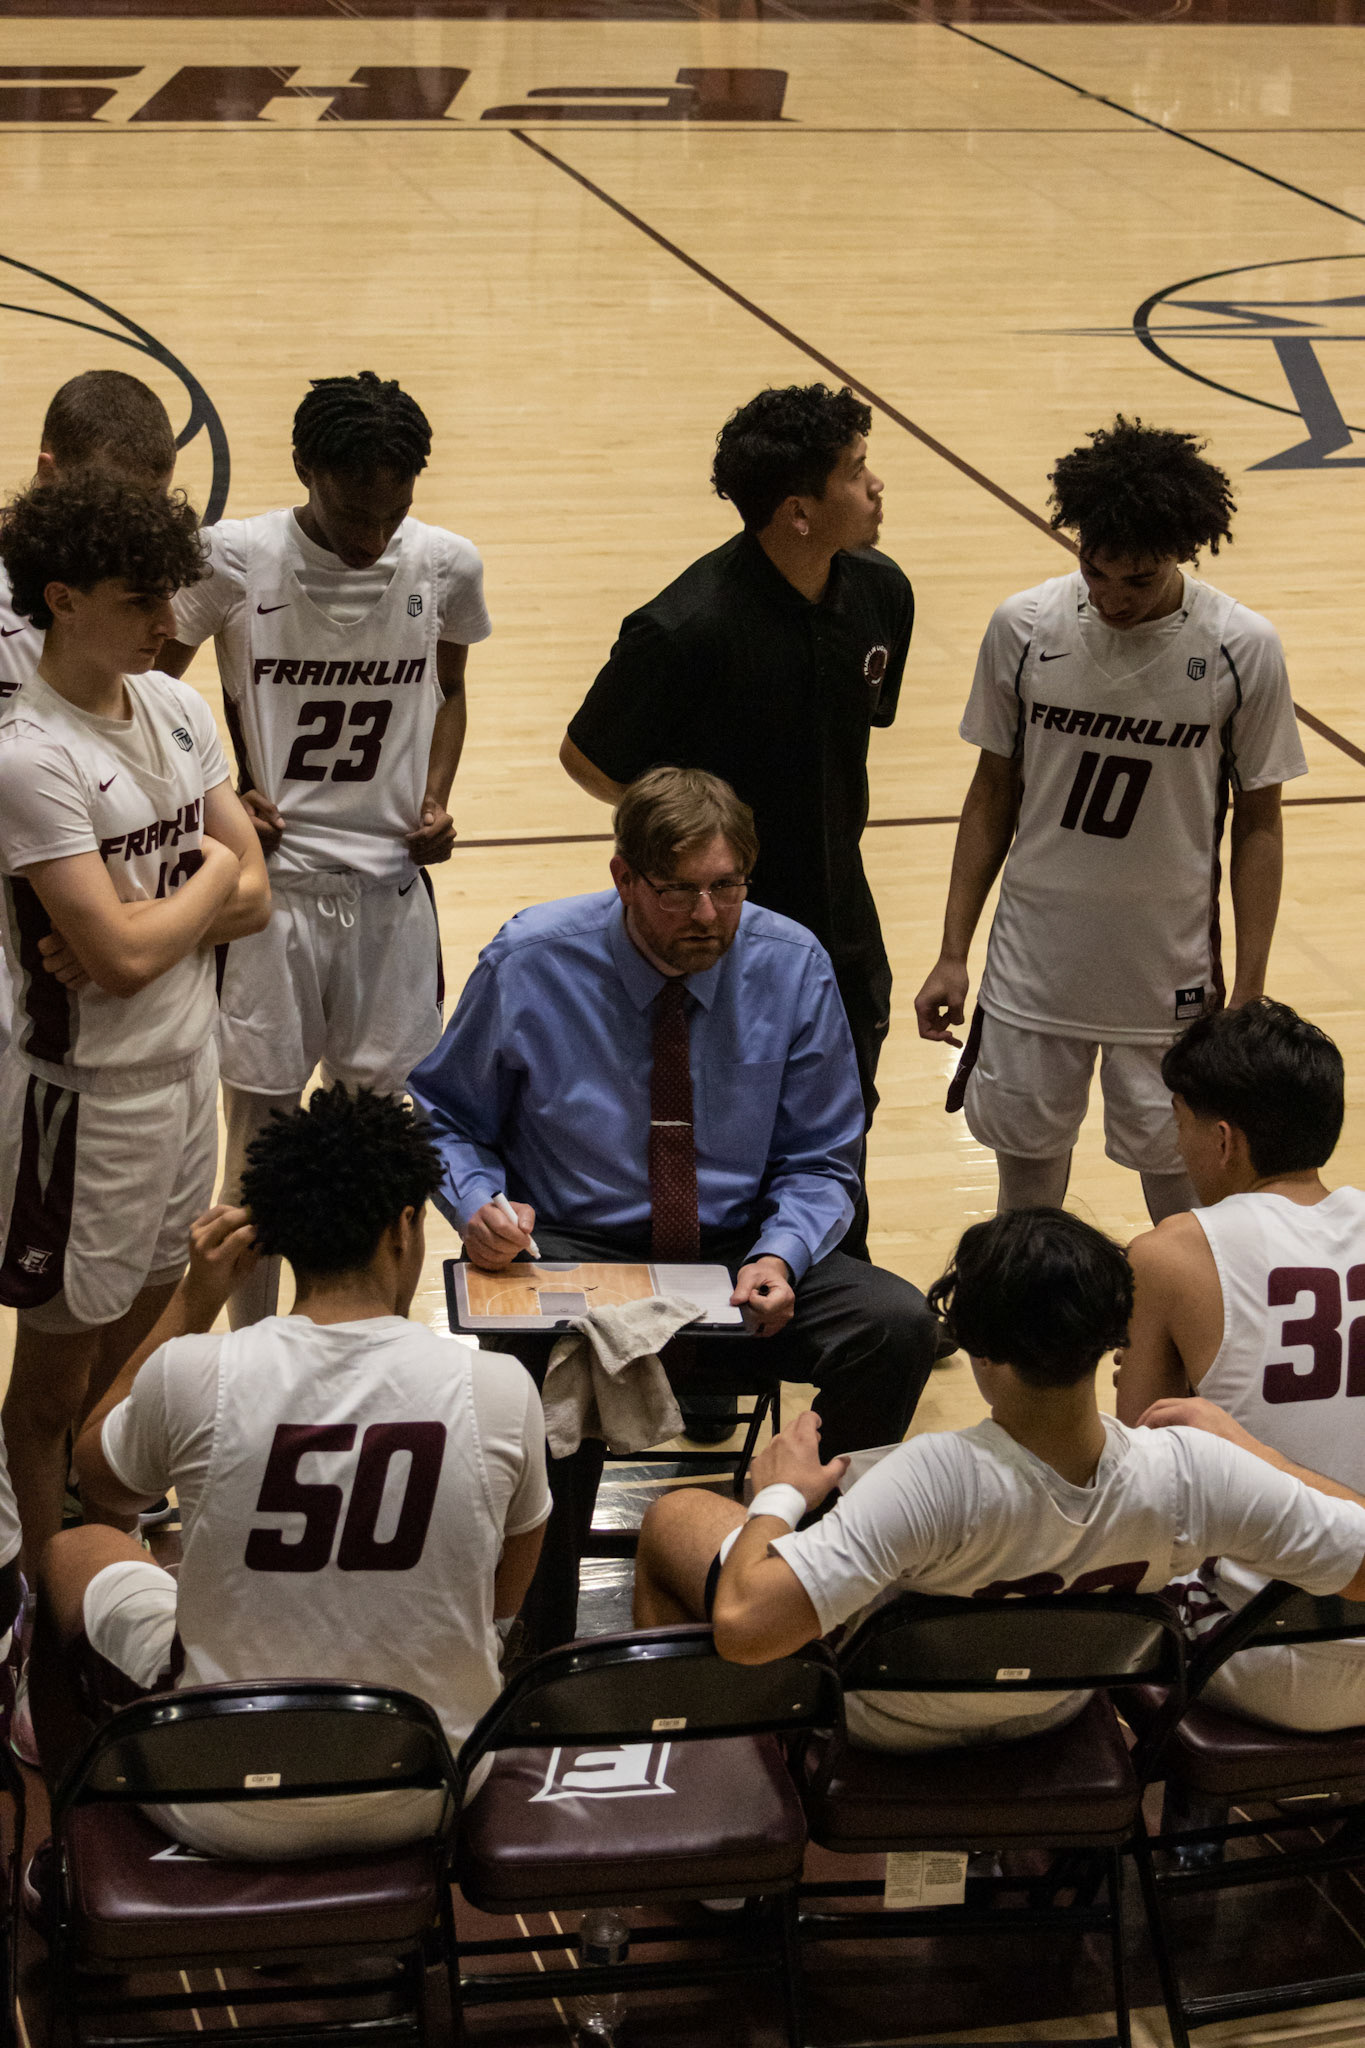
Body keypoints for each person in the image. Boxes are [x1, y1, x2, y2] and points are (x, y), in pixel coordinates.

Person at [409, 766, 939, 1649]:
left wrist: (781, 1253)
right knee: (528, 1367)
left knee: (895, 1326)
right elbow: (444, 1117)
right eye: (678, 892)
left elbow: (822, 1157)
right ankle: (537, 1644)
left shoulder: (792, 963)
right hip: (574, 1248)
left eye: (727, 888)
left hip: (738, 1249)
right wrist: (479, 1206)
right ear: (623, 878)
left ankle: (800, 1590)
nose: (707, 915)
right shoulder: (529, 960)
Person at [30, 1086, 550, 1859]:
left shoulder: (195, 1372)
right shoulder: (499, 1388)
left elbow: (98, 1476)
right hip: (434, 1787)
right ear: (404, 1227)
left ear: (273, 1237)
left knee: (73, 1549)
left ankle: (64, 1846)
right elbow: (510, 1579)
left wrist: (195, 1297)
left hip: (218, 1798)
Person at [635, 1207, 1365, 1749]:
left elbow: (745, 1629)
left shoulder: (929, 1480)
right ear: (1111, 1335)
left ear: (978, 1350)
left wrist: (779, 1495)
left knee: (676, 1518)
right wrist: (1259, 1455)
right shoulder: (1193, 1471)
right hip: (1056, 1707)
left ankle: (700, 1790)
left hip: (887, 1724)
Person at [157, 370, 491, 1326]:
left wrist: (436, 795)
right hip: (273, 900)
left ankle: (379, 1338)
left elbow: (450, 689)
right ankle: (256, 1351)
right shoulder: (231, 560)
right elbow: (153, 696)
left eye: (395, 510)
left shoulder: (446, 565)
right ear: (305, 467)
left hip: (390, 898)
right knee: (259, 1149)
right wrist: (218, 800)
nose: (374, 533)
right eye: (354, 510)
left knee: (386, 1148)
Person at [914, 417, 1306, 1224]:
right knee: (1024, 1204)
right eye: (1094, 571)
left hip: (1168, 978)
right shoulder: (1023, 627)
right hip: (1032, 967)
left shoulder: (1239, 647)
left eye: (1137, 579)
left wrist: (1250, 989)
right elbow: (990, 793)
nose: (1111, 596)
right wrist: (953, 951)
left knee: (1181, 1205)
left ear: (1180, 553)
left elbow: (1259, 824)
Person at [561, 383, 912, 1257]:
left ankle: (833, 1281)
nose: (875, 486)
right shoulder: (684, 629)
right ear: (798, 510)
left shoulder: (881, 593)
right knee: (722, 1138)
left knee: (838, 1134)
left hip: (843, 929)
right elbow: (587, 757)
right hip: (717, 936)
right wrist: (687, 837)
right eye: (855, 471)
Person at [0, 474, 269, 1592]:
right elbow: (121, 957)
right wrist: (205, 875)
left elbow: (259, 896)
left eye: (169, 594)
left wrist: (163, 914)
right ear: (62, 600)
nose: (167, 622)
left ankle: (105, 1555)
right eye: (138, 599)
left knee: (139, 1361)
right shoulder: (29, 754)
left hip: (185, 1077)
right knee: (54, 1387)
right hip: (85, 1106)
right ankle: (40, 1604)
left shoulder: (175, 707)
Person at [1116, 1000, 1365, 1731]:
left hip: (1263, 1655)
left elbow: (1140, 1473)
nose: (1178, 1144)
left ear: (1223, 1139)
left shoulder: (1168, 1252)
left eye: (1180, 1123)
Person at [0, 371, 178, 1045]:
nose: (135, 532)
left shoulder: (139, 603)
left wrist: (118, 926)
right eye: (113, 502)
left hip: (102, 917)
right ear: (49, 472)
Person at [1, 369, 177, 712]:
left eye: (155, 502)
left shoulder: (153, 577)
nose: (138, 525)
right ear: (48, 473)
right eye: (112, 502)